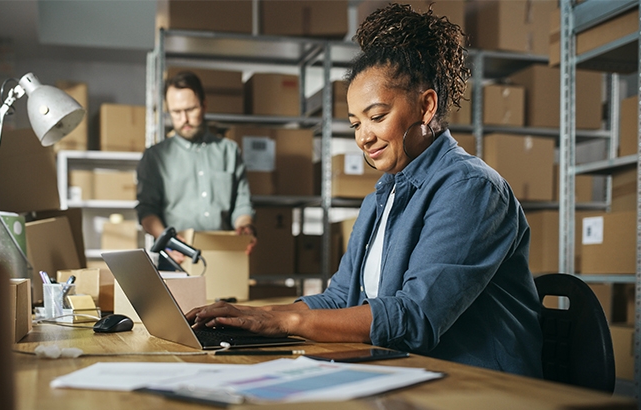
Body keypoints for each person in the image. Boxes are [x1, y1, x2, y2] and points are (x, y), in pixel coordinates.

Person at [186, 4, 543, 378]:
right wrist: (254, 315)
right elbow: (341, 298)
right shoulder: (381, 196)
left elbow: (415, 317)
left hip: (481, 386)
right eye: (355, 123)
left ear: (426, 106)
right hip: (408, 372)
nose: (363, 137)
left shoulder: (472, 188)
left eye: (376, 117)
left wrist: (285, 322)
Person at [136, 71, 256, 261]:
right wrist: (167, 239)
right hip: (176, 258)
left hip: (224, 255)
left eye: (190, 109)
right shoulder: (155, 157)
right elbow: (146, 210)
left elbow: (242, 205)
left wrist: (244, 226)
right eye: (176, 112)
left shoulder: (229, 151)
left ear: (204, 105)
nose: (184, 119)